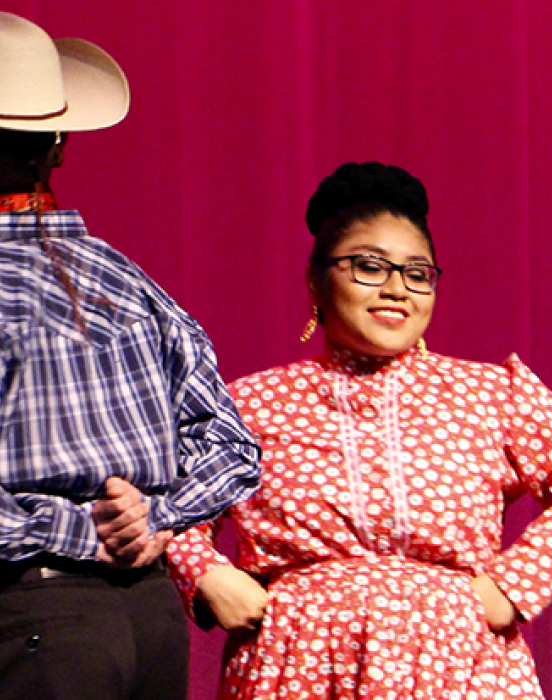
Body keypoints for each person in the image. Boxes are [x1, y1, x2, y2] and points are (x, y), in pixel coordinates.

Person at [165, 161, 552, 700]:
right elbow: (168, 503)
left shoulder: (488, 393)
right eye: (369, 267)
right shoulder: (251, 403)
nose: (398, 290)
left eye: (418, 274)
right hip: (296, 664)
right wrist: (206, 576)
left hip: (457, 664)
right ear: (316, 280)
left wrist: (513, 586)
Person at [0, 13, 262, 700]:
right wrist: (152, 515)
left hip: (32, 615)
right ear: (58, 144)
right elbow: (233, 448)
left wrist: (82, 529)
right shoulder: (133, 283)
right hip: (146, 617)